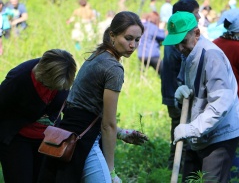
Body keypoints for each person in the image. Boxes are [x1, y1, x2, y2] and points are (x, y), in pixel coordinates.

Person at [38, 11, 147, 183]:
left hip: (68, 131)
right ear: (112, 35)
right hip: (82, 138)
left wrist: (121, 133)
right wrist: (111, 172)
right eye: (128, 38)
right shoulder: (113, 68)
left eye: (137, 40)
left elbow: (86, 108)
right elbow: (108, 124)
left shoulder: (98, 55)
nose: (133, 45)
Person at [162, 11, 239, 182]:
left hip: (220, 134)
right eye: (176, 44)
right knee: (190, 179)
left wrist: (191, 129)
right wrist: (181, 95)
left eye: (183, 42)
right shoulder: (189, 54)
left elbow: (221, 103)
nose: (179, 48)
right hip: (200, 132)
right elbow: (196, 91)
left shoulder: (211, 56)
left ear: (197, 33)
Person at [0, 49, 77, 183]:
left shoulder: (63, 76)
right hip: (17, 138)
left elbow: (68, 109)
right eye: (50, 86)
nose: (54, 90)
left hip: (48, 141)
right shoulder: (18, 78)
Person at [213, 8, 239, 181]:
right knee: (236, 146)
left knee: (219, 144)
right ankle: (234, 178)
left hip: (218, 101)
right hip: (238, 101)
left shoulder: (215, 43)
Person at [160, 0, 200, 171]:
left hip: (173, 93)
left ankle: (176, 170)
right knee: (181, 139)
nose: (199, 17)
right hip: (178, 96)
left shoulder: (175, 36)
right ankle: (176, 171)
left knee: (179, 137)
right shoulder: (178, 41)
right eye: (196, 14)